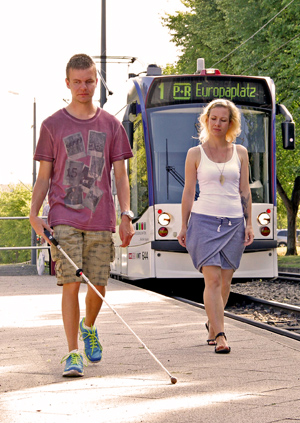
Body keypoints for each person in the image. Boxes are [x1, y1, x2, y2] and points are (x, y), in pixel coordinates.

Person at [30, 54, 134, 376]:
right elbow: (44, 177)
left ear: (96, 82)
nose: (83, 87)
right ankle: (73, 352)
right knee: (71, 284)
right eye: (77, 82)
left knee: (98, 285)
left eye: (89, 81)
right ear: (68, 83)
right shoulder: (51, 126)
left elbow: (120, 176)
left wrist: (126, 214)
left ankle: (89, 328)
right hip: (63, 216)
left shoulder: (112, 126)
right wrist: (35, 215)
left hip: (101, 218)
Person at [177, 99, 254, 354]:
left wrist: (249, 223)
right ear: (206, 121)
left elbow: (245, 191)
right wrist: (184, 225)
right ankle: (221, 334)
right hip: (204, 220)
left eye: (223, 119)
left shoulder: (240, 152)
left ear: (230, 123)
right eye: (213, 119)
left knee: (225, 281)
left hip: (234, 222)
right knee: (212, 280)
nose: (218, 123)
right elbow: (188, 192)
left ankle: (212, 323)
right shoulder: (194, 154)